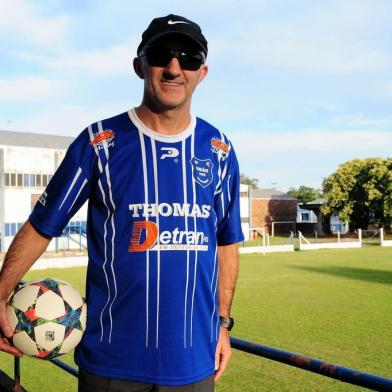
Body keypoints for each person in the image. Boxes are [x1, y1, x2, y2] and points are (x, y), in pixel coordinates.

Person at [0, 14, 244, 391]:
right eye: (162, 54)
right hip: (112, 365)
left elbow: (227, 243)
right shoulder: (100, 142)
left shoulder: (220, 150)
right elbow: (41, 225)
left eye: (189, 57)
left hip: (195, 363)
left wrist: (223, 325)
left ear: (203, 72)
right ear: (139, 65)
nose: (175, 68)